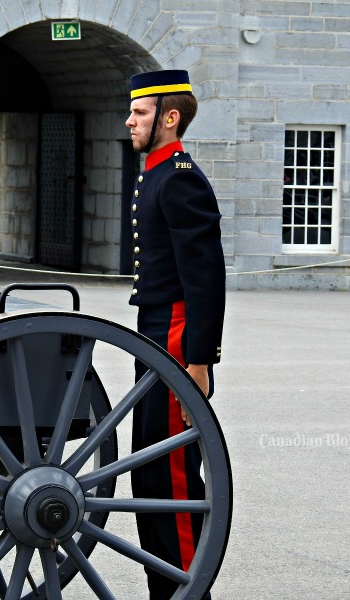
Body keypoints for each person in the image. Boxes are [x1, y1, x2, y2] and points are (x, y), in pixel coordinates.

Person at [125, 69, 226, 600]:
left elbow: (204, 275)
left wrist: (199, 360)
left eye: (139, 113)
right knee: (150, 474)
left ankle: (188, 591)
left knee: (172, 479)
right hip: (154, 329)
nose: (130, 120)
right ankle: (164, 589)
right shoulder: (155, 173)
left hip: (176, 337)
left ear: (169, 117)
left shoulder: (180, 176)